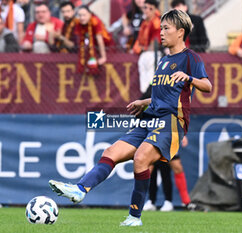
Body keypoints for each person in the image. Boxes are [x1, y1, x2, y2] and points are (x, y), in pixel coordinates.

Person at [49, 9, 212, 226]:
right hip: (150, 119)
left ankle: (135, 216)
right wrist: (143, 102)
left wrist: (190, 78)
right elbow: (161, 96)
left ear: (180, 32)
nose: (161, 33)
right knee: (111, 152)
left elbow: (208, 86)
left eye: (166, 28)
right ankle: (80, 190)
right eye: (161, 28)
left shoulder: (191, 58)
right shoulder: (163, 61)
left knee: (141, 157)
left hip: (171, 122)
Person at [143, 136, 191, 211]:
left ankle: (177, 202)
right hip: (152, 137)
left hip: (168, 139)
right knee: (150, 168)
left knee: (175, 167)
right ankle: (151, 201)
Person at [132, 0, 161, 94]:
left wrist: (142, 48)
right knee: (144, 85)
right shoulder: (144, 22)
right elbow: (140, 41)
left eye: (150, 8)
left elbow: (155, 44)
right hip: (144, 54)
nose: (147, 10)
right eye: (145, 8)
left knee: (152, 83)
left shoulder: (156, 22)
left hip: (153, 55)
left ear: (155, 10)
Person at [74, 5, 114, 74]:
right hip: (90, 46)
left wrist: (103, 57)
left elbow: (100, 40)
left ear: (89, 14)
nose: (82, 18)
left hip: (105, 45)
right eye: (80, 15)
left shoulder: (95, 21)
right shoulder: (78, 22)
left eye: (84, 15)